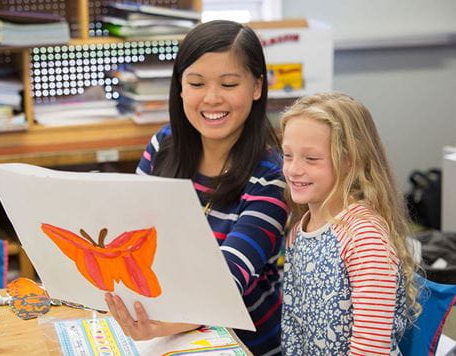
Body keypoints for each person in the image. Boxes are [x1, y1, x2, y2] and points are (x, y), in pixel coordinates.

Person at [105, 20, 288, 355]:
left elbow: (224, 286)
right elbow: (129, 238)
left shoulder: (272, 177)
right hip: (163, 330)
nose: (212, 98)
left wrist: (154, 325)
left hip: (241, 345)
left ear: (257, 86)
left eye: (229, 83)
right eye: (197, 83)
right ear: (180, 87)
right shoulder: (164, 145)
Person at [279, 92, 420, 355]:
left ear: (350, 161)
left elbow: (370, 349)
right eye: (288, 156)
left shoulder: (363, 237)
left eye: (311, 159)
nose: (293, 169)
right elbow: (293, 328)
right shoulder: (299, 230)